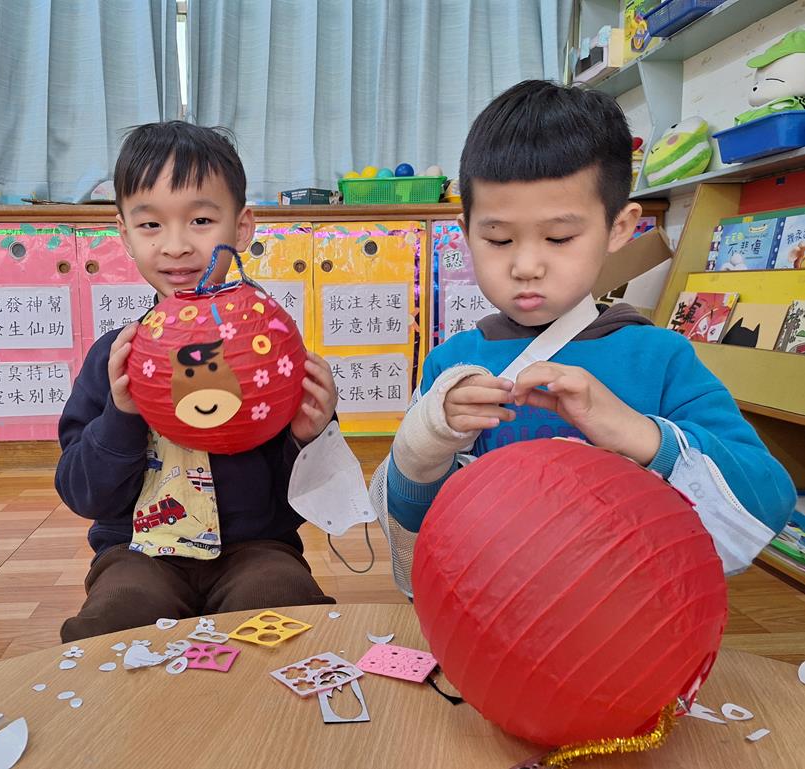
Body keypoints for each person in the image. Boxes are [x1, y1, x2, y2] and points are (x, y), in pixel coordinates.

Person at [381, 80, 795, 575]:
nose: (526, 266)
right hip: (490, 602)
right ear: (466, 230)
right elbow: (413, 517)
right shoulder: (452, 367)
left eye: (559, 238)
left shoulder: (661, 358)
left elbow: (768, 503)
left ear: (619, 227)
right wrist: (429, 440)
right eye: (498, 239)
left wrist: (641, 435)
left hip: (636, 604)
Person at [57, 121, 337, 642]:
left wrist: (308, 437)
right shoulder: (114, 359)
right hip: (138, 552)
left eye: (201, 220)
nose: (177, 246)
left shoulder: (272, 356)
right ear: (124, 233)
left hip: (257, 548)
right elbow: (82, 494)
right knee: (116, 621)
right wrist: (121, 414)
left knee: (285, 606)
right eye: (151, 225)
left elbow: (311, 497)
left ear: (242, 228)